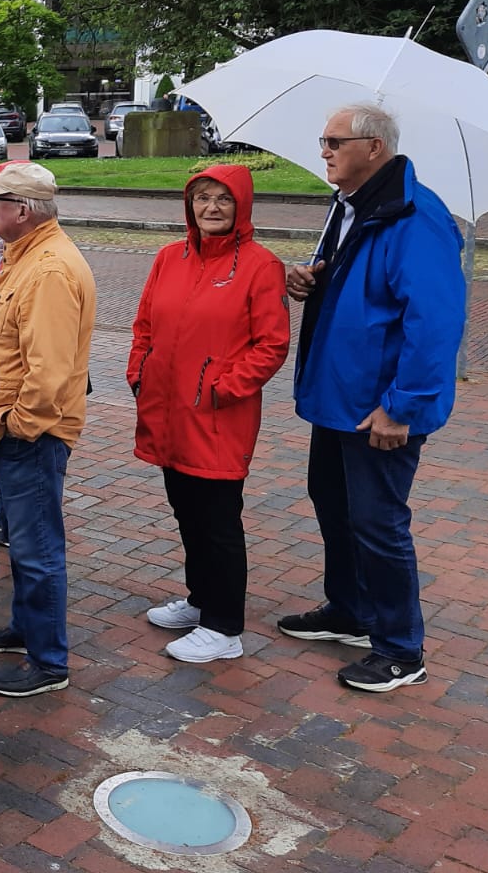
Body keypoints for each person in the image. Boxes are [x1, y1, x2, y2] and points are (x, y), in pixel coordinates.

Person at [280, 104, 465, 692]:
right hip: (340, 396)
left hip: (379, 406)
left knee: (379, 522)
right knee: (334, 503)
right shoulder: (352, 206)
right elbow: (360, 283)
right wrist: (311, 275)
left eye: (335, 141)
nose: (324, 150)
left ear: (374, 148)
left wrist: (402, 406)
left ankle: (400, 649)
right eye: (323, 139)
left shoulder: (415, 216)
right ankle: (351, 609)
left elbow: (434, 323)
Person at [127, 165, 290, 663]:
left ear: (241, 205)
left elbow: (271, 345)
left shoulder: (261, 266)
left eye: (223, 198)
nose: (211, 208)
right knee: (187, 511)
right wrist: (140, 373)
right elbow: (145, 325)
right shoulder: (168, 257)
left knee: (219, 520)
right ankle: (201, 601)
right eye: (202, 198)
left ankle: (224, 627)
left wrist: (222, 389)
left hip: (219, 417)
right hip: (168, 410)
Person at [0, 163, 96, 697]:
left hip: (31, 434)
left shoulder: (47, 270)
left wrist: (19, 425)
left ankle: (48, 661)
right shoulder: (28, 258)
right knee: (24, 543)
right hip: (15, 429)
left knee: (37, 546)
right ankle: (27, 629)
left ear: (22, 210)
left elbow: (49, 368)